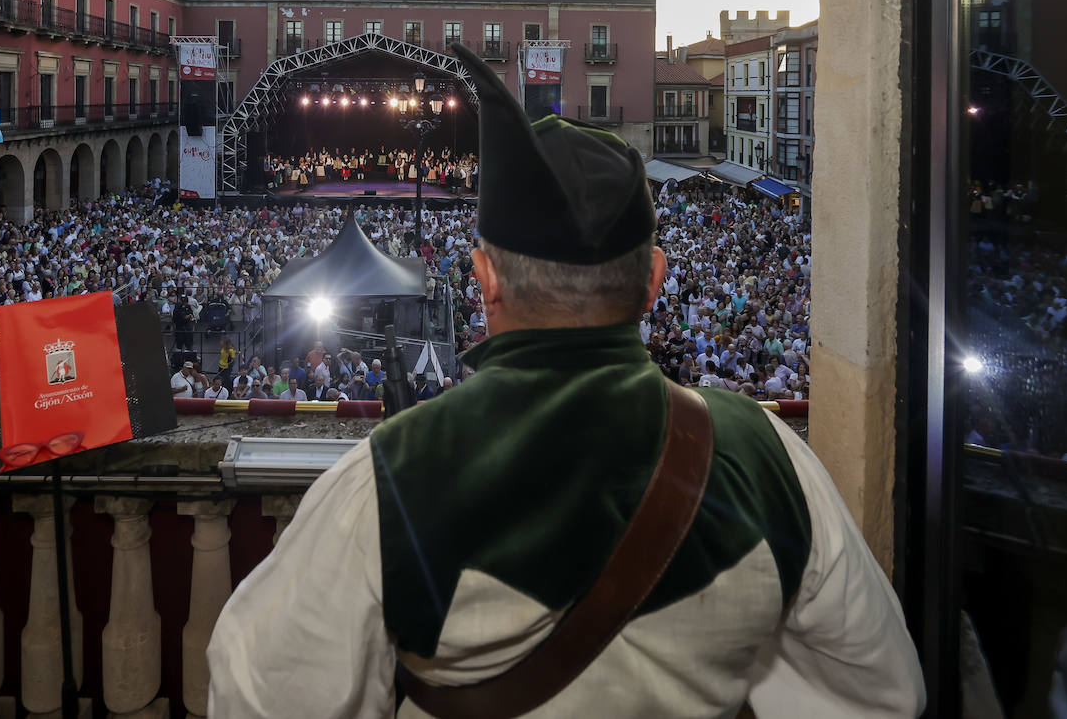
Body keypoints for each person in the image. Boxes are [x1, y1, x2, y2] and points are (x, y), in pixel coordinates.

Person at [206, 44, 925, 716]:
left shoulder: (387, 481)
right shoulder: (769, 459)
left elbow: (257, 691)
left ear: (482, 280)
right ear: (655, 280)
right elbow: (884, 692)